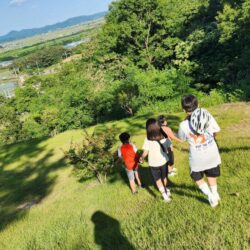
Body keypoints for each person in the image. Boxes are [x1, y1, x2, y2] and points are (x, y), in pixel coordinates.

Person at [178, 95, 221, 207]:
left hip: (197, 157)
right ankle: (215, 193)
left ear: (183, 109)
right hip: (212, 152)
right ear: (198, 104)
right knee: (211, 173)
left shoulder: (183, 125)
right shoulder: (208, 116)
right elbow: (216, 131)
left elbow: (182, 139)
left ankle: (210, 196)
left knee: (196, 176)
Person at [140, 118, 172, 202]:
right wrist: (171, 160)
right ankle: (167, 191)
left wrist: (142, 158)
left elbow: (145, 152)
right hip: (164, 161)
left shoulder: (147, 139)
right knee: (165, 177)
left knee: (158, 180)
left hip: (153, 163)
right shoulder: (163, 136)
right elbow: (169, 149)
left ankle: (165, 196)